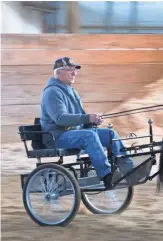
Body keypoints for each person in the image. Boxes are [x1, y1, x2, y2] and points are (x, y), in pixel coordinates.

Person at [39, 57, 134, 189]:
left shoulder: (71, 91)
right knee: (88, 136)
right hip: (57, 137)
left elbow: (81, 119)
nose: (74, 73)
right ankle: (107, 175)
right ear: (58, 72)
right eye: (69, 70)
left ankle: (128, 170)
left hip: (72, 134)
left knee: (110, 134)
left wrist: (93, 121)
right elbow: (60, 118)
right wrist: (88, 118)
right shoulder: (52, 92)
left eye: (75, 70)